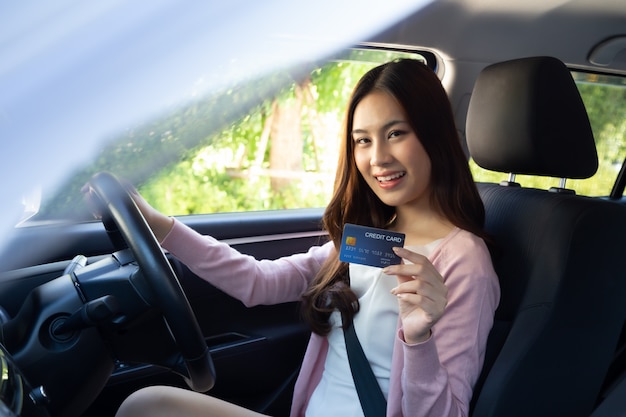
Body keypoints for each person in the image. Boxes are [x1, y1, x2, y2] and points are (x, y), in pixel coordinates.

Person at [113, 58, 500, 417]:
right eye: (362, 140)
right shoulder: (372, 237)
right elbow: (257, 282)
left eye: (396, 133)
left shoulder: (463, 258)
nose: (377, 157)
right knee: (146, 405)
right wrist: (158, 225)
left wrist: (419, 338)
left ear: (434, 137)